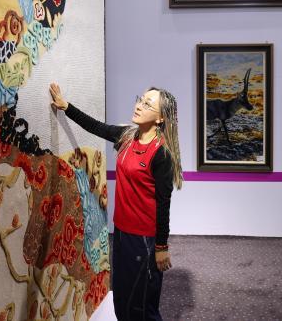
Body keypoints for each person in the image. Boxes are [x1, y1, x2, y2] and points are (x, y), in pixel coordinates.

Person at [49, 83, 183, 321]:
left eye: (147, 104)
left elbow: (164, 204)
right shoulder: (127, 136)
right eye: (140, 100)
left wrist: (161, 247)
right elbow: (95, 126)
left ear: (160, 118)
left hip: (144, 240)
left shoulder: (161, 153)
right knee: (121, 300)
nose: (139, 106)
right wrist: (66, 106)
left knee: (142, 306)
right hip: (121, 233)